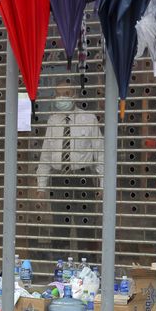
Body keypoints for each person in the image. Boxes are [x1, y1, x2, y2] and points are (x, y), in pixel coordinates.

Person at [35, 83, 104, 256]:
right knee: (60, 227)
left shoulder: (89, 119)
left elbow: (100, 153)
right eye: (58, 94)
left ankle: (88, 267)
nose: (62, 97)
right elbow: (46, 155)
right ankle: (60, 267)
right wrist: (41, 187)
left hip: (82, 179)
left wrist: (103, 184)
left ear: (74, 95)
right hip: (59, 179)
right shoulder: (53, 121)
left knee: (85, 227)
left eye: (66, 93)